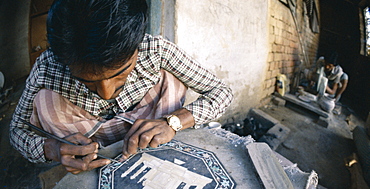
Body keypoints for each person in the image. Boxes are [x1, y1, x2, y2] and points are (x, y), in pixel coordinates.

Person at [9, 0, 233, 175]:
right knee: (45, 101)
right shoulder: (48, 67)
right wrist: (53, 149)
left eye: (120, 74)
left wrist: (173, 122)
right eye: (87, 81)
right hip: (90, 153)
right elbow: (17, 131)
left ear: (136, 47)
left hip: (151, 143)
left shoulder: (156, 51)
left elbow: (221, 92)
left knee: (171, 78)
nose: (106, 93)